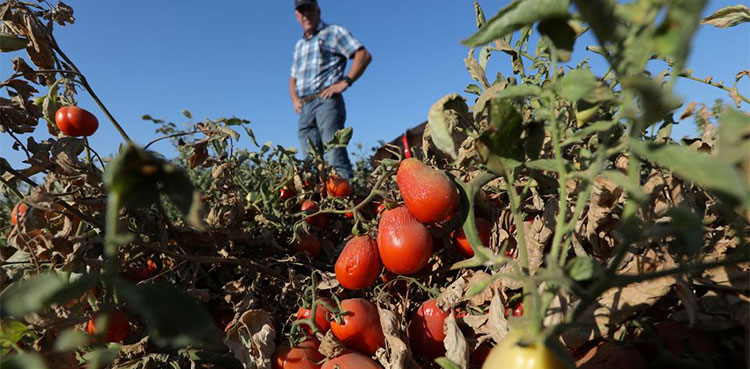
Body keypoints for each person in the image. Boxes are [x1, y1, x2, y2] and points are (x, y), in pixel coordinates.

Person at [290, 0, 372, 180]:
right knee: (310, 164)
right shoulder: (299, 46)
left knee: (334, 156)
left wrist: (345, 81)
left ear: (317, 11)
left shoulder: (333, 33)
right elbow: (293, 78)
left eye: (309, 9)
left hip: (325, 102)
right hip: (305, 107)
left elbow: (363, 55)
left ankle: (347, 205)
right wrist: (295, 99)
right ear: (297, 16)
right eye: (301, 11)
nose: (306, 15)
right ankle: (318, 206)